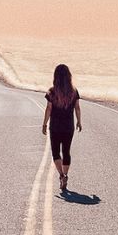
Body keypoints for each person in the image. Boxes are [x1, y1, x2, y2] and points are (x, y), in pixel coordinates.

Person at [41, 64, 82, 193]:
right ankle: (66, 175)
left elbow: (49, 108)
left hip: (55, 127)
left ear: (56, 77)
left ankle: (61, 175)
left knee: (55, 152)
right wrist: (79, 122)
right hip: (68, 126)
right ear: (69, 76)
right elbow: (77, 108)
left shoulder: (51, 92)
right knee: (66, 151)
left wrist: (44, 124)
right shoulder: (73, 91)